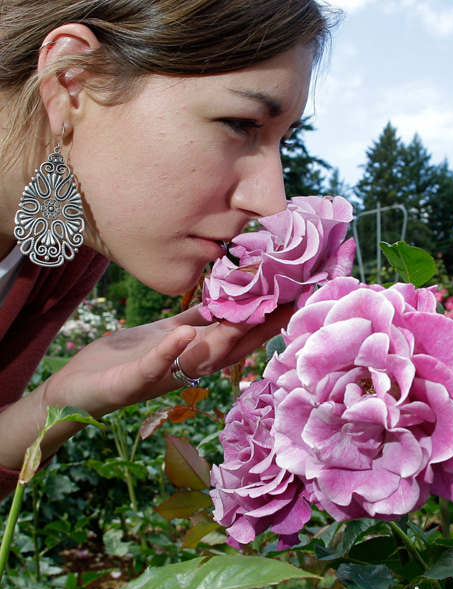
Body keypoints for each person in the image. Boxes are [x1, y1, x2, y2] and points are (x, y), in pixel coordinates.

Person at [0, 0, 339, 500]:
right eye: (241, 124)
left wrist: (53, 405)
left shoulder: (71, 237)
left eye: (280, 139)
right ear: (73, 79)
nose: (269, 200)